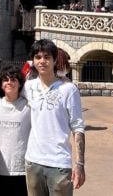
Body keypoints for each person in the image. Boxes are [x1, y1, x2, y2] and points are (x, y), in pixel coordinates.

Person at [23, 39, 85, 195]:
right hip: (33, 162)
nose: (42, 61)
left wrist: (79, 164)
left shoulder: (68, 89)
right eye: (38, 57)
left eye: (47, 57)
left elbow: (77, 127)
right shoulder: (28, 87)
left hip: (59, 164)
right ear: (33, 61)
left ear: (54, 59)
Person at [0, 65, 31, 196]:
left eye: (13, 79)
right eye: (5, 80)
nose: (9, 82)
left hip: (21, 168)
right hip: (0, 166)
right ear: (1, 84)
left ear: (20, 83)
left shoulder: (28, 106)